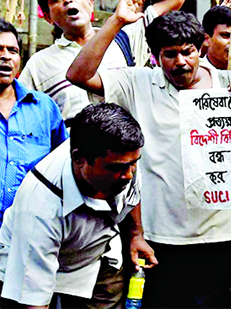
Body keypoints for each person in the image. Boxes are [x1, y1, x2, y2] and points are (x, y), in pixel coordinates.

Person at [66, 0, 231, 308]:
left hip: (218, 236)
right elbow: (78, 75)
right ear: (155, 56)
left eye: (188, 52)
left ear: (201, 48)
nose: (181, 62)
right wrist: (117, 22)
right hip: (157, 237)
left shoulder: (229, 83)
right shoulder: (137, 82)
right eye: (170, 54)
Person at [0, 103, 152, 308]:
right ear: (79, 160)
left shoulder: (123, 157)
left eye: (133, 163)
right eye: (117, 168)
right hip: (31, 257)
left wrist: (136, 235)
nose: (128, 175)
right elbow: (33, 301)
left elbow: (133, 192)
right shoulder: (40, 204)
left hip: (99, 253)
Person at [20, 0, 186, 119]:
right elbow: (21, 113)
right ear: (48, 17)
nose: (68, 0)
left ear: (90, 4)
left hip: (131, 147)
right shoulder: (39, 64)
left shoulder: (125, 38)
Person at [0, 20, 67, 229]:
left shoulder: (44, 108)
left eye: (13, 50)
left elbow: (62, 164)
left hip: (30, 229)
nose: (5, 56)